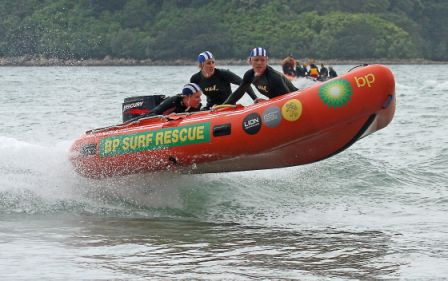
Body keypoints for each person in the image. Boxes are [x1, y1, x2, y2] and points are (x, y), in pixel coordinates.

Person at [223, 47, 298, 105]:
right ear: (250, 61)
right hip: (276, 101)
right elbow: (239, 92)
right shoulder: (249, 75)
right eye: (256, 60)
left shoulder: (274, 77)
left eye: (262, 60)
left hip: (297, 98)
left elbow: (288, 99)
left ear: (266, 61)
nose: (259, 63)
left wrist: (267, 102)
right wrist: (224, 106)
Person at [190, 51, 257, 109]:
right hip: (211, 108)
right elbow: (192, 97)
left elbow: (244, 83)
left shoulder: (223, 74)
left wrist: (255, 98)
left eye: (213, 62)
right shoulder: (195, 79)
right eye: (208, 63)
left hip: (228, 106)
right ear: (201, 65)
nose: (212, 65)